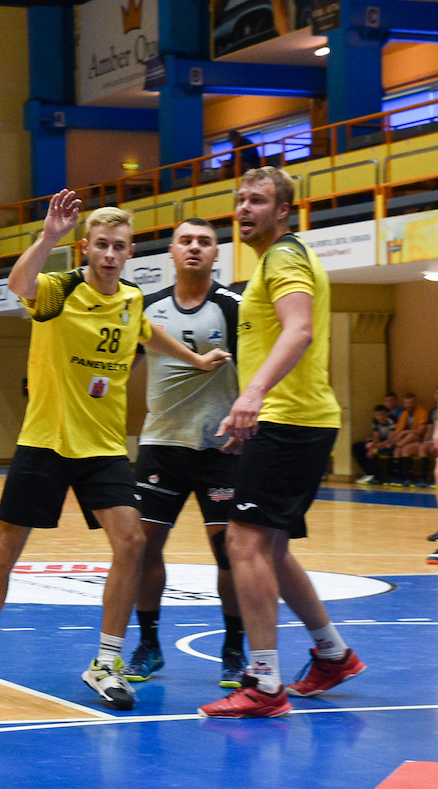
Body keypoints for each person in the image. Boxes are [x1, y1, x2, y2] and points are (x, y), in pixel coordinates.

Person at [0, 196, 229, 711]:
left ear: (130, 252)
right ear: (86, 248)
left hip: (102, 448)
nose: (110, 255)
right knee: (5, 550)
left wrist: (196, 359)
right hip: (46, 442)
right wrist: (48, 236)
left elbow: (150, 334)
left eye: (119, 247)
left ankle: (106, 663)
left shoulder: (132, 300)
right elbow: (18, 286)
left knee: (132, 542)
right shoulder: (60, 289)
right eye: (101, 245)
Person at [198, 167, 366, 719]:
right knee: (271, 548)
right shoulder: (274, 261)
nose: (244, 208)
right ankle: (333, 654)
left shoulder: (285, 258)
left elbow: (299, 330)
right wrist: (249, 415)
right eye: (240, 199)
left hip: (291, 422)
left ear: (283, 211)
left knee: (243, 543)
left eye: (258, 200)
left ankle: (265, 683)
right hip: (288, 421)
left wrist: (253, 396)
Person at [126, 218, 247, 689]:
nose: (195, 247)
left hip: (221, 449)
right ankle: (148, 644)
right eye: (186, 240)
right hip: (161, 446)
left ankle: (233, 649)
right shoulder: (147, 307)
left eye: (204, 241)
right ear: (172, 252)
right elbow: (118, 364)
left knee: (228, 553)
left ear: (217, 253)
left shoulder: (232, 307)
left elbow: (257, 372)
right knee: (144, 549)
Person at [387, 392, 430, 485]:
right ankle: (402, 477)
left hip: (420, 439)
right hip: (409, 441)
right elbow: (397, 431)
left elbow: (420, 431)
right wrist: (393, 439)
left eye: (411, 403)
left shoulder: (422, 412)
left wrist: (404, 432)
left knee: (410, 436)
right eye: (406, 403)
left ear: (415, 402)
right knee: (399, 450)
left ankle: (396, 445)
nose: (409, 405)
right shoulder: (404, 414)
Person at [353, 403, 395, 484]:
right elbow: (376, 437)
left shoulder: (392, 420)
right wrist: (373, 446)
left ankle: (377, 476)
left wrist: (375, 447)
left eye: (381, 415)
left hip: (392, 442)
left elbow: (391, 439)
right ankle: (369, 473)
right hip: (382, 442)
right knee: (357, 447)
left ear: (386, 414)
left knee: (375, 450)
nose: (379, 417)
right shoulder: (375, 421)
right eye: (377, 415)